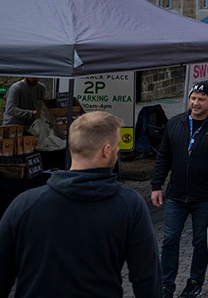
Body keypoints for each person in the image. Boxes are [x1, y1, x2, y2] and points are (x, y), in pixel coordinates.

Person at [0, 111, 161, 298]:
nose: (117, 152)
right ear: (106, 150)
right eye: (117, 147)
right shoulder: (129, 204)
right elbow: (147, 276)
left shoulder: (25, 203)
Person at [151, 80, 208, 298]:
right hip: (176, 195)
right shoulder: (175, 123)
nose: (196, 103)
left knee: (200, 241)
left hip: (205, 197)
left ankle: (195, 281)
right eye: (193, 98)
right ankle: (166, 284)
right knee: (169, 240)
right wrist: (156, 185)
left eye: (201, 99)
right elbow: (163, 157)